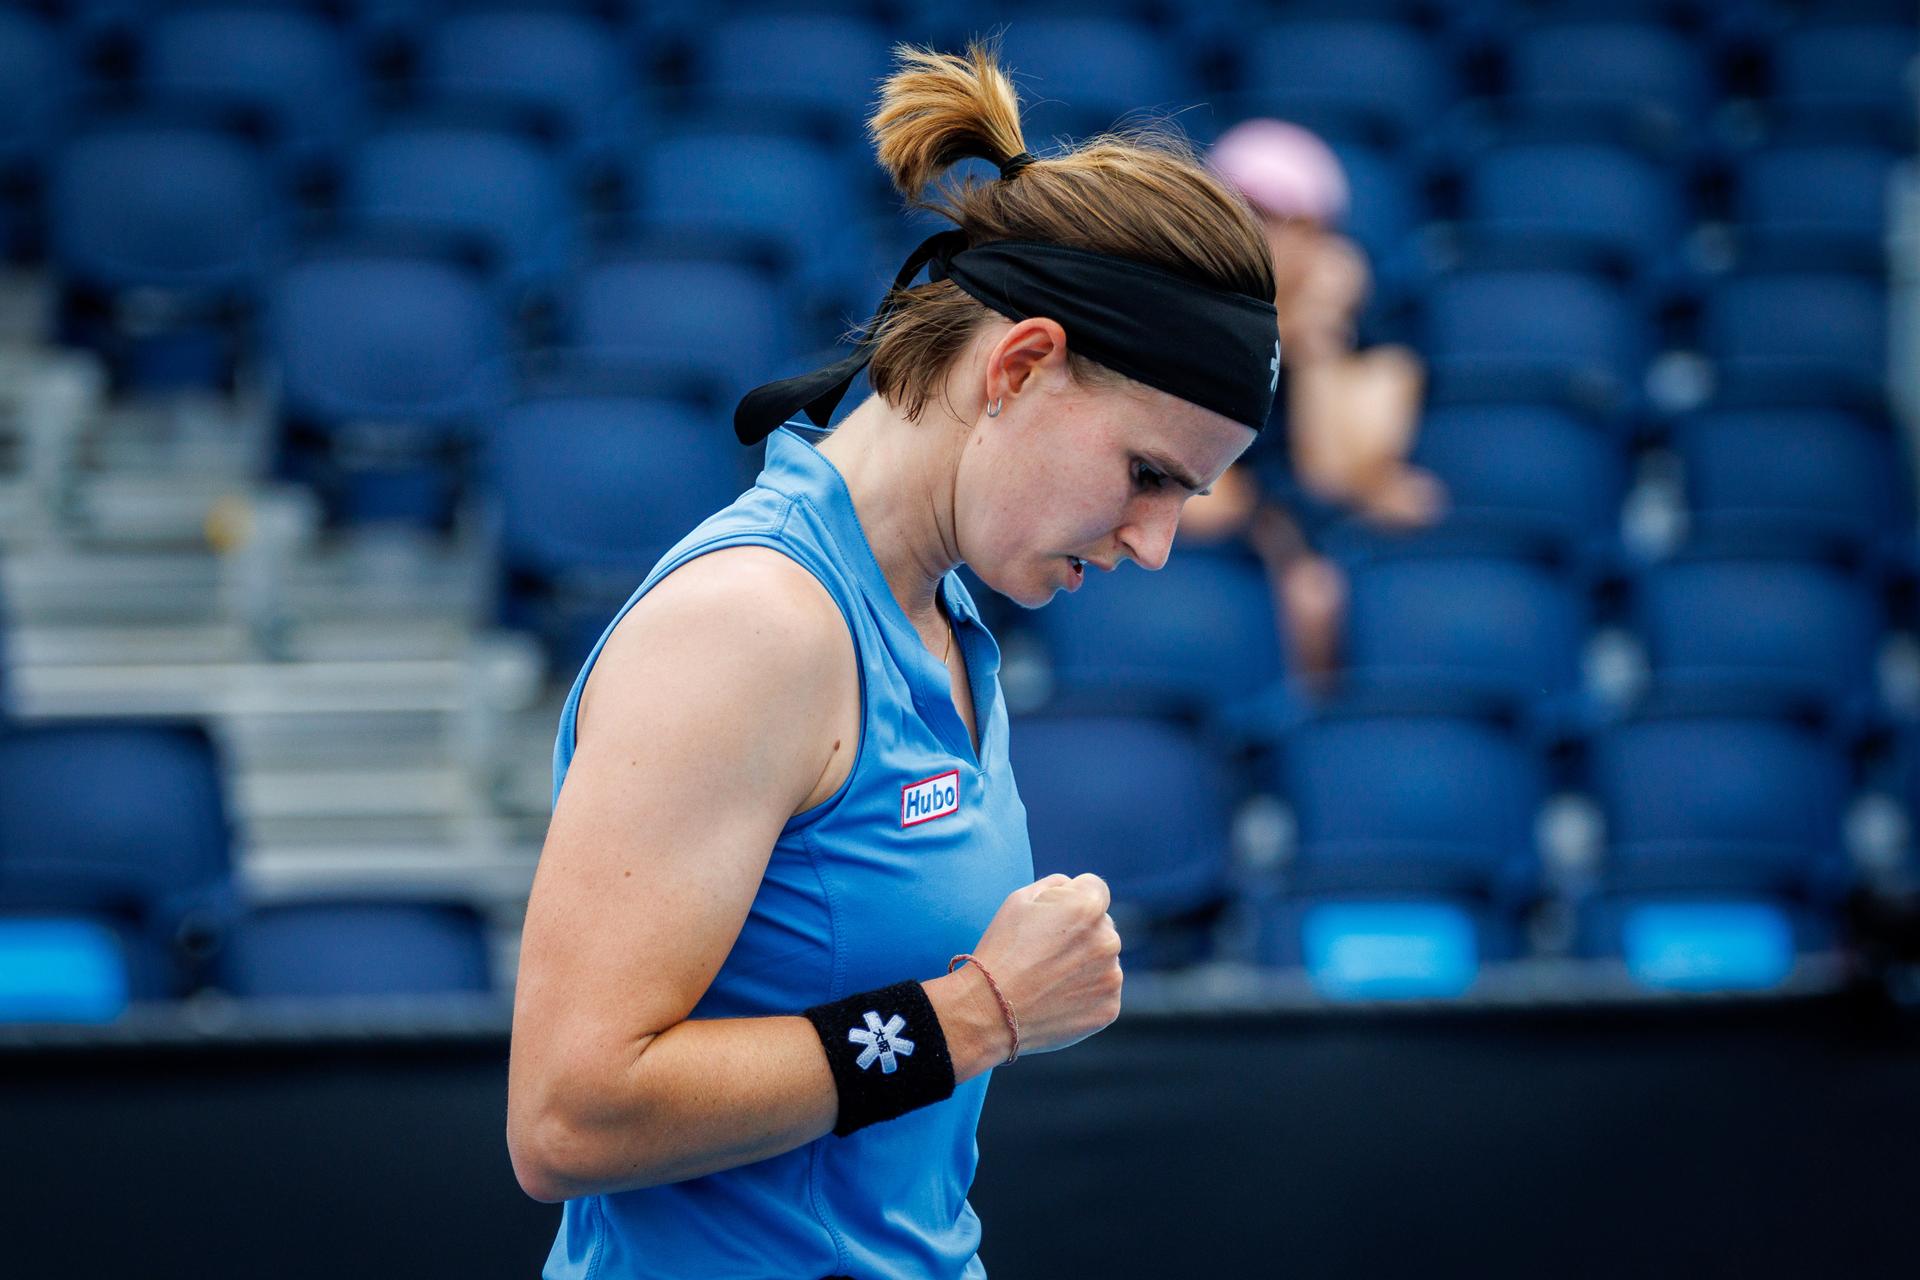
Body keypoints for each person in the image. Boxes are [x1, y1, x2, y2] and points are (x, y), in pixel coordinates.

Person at [507, 39, 1284, 1280]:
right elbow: (568, 1112)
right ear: (1019, 364)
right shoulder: (754, 623)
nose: (1155, 543)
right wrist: (982, 1010)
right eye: (1149, 474)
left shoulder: (942, 611)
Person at [1181, 117, 1445, 687]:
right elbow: (1203, 493)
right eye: (1235, 210)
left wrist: (1318, 337)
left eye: (1276, 217)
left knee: (1320, 592)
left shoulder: (1375, 338)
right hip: (1229, 542)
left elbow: (1329, 473)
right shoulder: (1181, 321)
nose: (1252, 232)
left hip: (1315, 541)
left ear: (1321, 236)